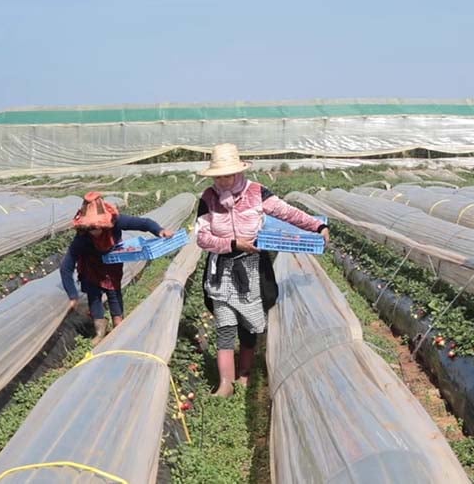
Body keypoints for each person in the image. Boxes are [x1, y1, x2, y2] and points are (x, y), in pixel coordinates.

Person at [196, 143, 330, 397]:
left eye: (228, 174)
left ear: (238, 172)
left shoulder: (257, 193)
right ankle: (225, 383)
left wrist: (317, 226)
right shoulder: (207, 199)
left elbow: (288, 213)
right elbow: (202, 238)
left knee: (250, 324)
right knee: (224, 325)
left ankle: (244, 375)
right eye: (219, 175)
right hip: (221, 268)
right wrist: (232, 244)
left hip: (252, 268)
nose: (223, 180)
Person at [60, 191, 173, 345]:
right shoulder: (82, 237)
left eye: (97, 227)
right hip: (90, 265)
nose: (94, 231)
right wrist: (72, 295)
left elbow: (144, 223)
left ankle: (119, 325)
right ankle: (100, 331)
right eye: (90, 228)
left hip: (112, 263)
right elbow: (66, 267)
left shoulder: (116, 220)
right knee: (94, 295)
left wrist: (160, 231)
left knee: (113, 292)